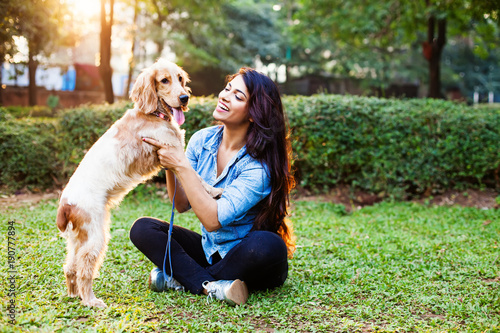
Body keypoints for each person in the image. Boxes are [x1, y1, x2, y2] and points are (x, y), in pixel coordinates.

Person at [130, 67, 295, 306]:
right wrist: (169, 160)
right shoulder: (202, 140)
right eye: (227, 89)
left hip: (248, 256)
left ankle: (183, 279)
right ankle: (213, 286)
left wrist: (181, 164)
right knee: (143, 228)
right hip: (210, 251)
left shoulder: (259, 167)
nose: (225, 96)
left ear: (254, 113)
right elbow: (181, 203)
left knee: (268, 245)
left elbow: (212, 220)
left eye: (238, 96)